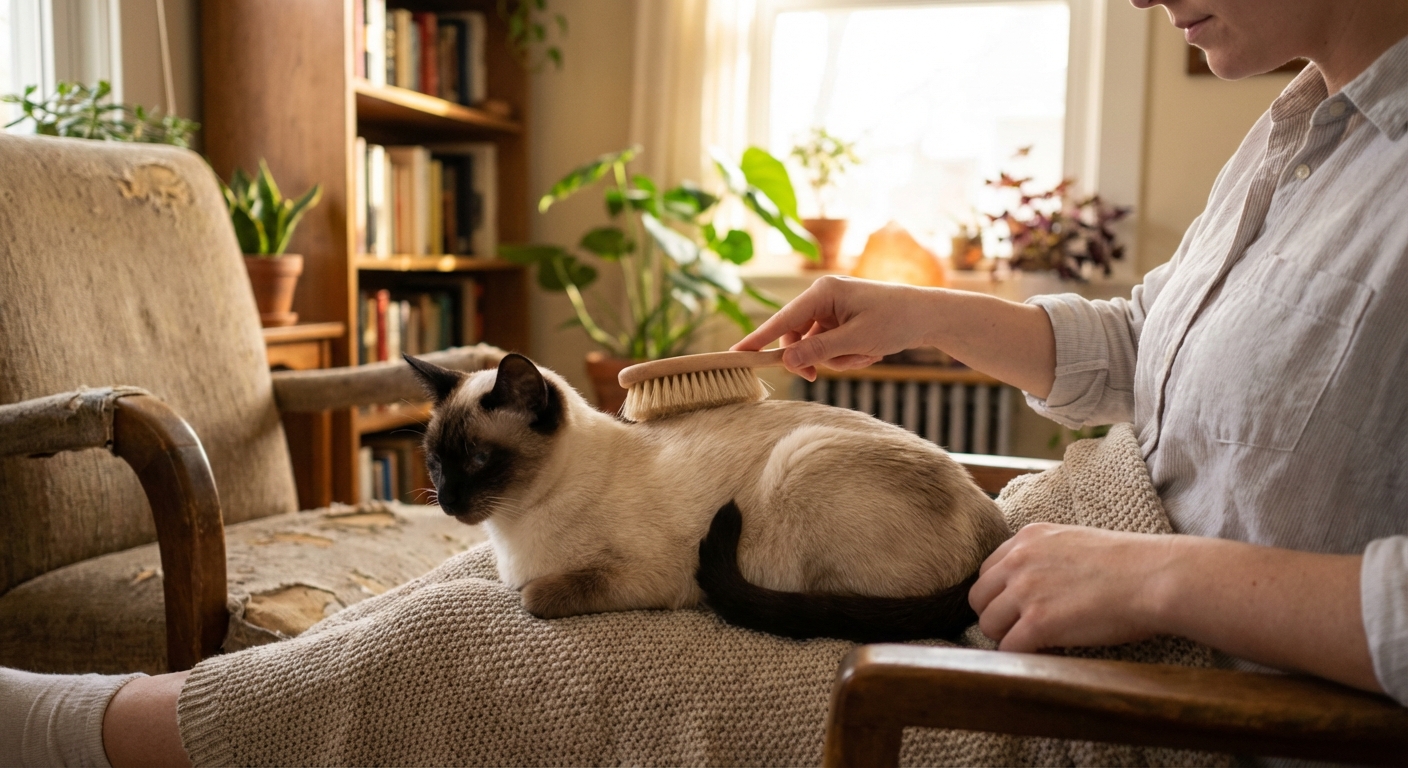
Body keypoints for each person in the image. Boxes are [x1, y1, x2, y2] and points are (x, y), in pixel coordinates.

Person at [3, 1, 1406, 766]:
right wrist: (915, 313)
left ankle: (102, 737)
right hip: (1053, 554)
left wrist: (1165, 582)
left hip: (1150, 675)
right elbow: (1159, 336)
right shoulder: (1303, 125)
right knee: (469, 583)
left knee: (480, 650)